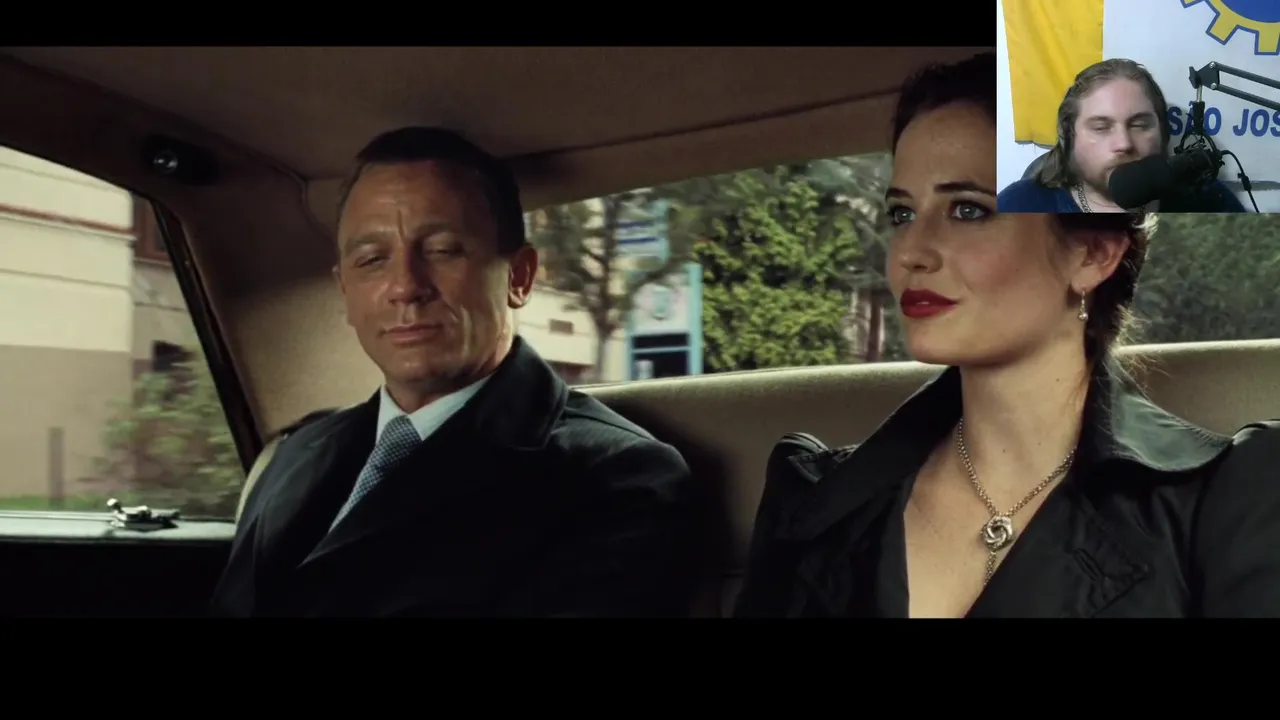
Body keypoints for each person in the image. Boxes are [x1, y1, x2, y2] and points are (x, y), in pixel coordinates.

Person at [733, 53, 1280, 618]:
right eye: (902, 214)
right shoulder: (812, 501)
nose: (911, 252)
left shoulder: (1226, 503)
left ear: (1093, 253)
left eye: (968, 211)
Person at [211, 127, 705, 617]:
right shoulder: (293, 453)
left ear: (519, 276)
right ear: (345, 290)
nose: (405, 287)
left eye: (443, 250)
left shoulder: (615, 479)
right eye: (372, 260)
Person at [997, 58, 1245, 213]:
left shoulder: (1209, 200)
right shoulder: (1020, 204)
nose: (1124, 144)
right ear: (1068, 137)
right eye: (1101, 127)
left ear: (1163, 132)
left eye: (1140, 125)